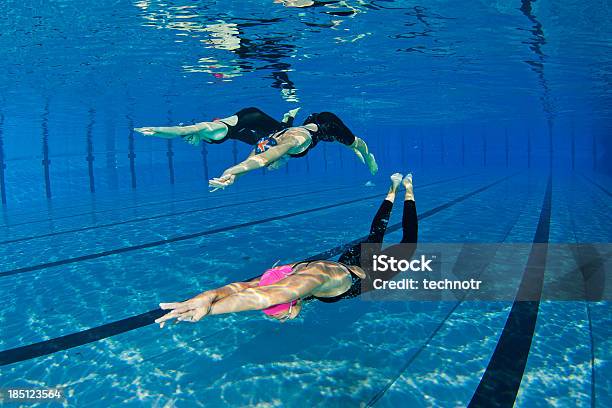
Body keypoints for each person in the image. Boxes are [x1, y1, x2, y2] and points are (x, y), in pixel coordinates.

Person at [155, 172, 416, 326]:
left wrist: (212, 309)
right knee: (376, 235)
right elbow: (247, 287)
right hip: (348, 264)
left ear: (290, 304)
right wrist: (208, 295)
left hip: (365, 277)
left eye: (283, 316)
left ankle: (408, 190)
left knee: (408, 243)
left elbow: (271, 296)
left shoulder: (310, 281)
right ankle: (392, 190)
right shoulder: (281, 274)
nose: (284, 320)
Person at [134, 107, 378, 191]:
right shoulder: (268, 142)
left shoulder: (291, 144)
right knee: (281, 127)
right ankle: (289, 116)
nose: (276, 165)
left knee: (356, 144)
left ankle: (368, 158)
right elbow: (257, 156)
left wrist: (232, 171)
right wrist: (235, 175)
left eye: (277, 163)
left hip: (328, 123)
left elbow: (262, 160)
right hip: (305, 123)